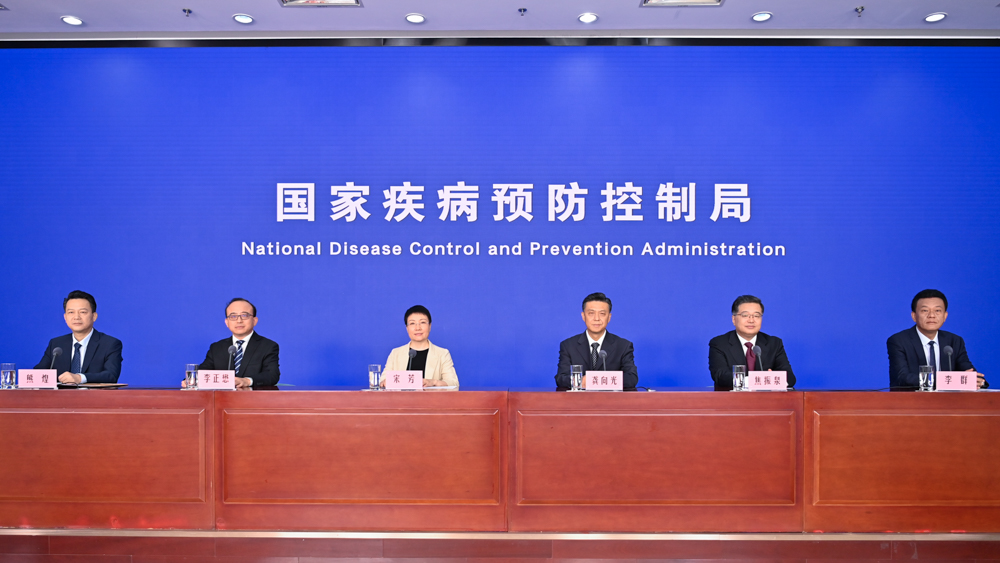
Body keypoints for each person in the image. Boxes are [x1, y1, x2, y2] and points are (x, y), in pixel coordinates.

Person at [887, 289, 987, 389]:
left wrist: (976, 380)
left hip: (948, 399)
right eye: (925, 310)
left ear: (945, 316)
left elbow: (970, 373)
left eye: (937, 311)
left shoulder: (954, 341)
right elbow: (903, 378)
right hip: (912, 398)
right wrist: (949, 381)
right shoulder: (899, 341)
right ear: (914, 316)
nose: (931, 315)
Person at [708, 295, 796, 391]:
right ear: (734, 319)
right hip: (732, 399)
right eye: (745, 315)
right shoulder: (719, 343)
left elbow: (790, 378)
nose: (751, 320)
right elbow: (720, 376)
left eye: (756, 316)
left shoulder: (774, 343)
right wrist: (761, 380)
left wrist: (772, 379)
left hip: (766, 400)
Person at [35, 290, 123, 384]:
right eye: (71, 312)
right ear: (65, 317)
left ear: (94, 316)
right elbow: (38, 374)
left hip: (93, 394)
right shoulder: (56, 344)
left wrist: (79, 378)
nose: (76, 317)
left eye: (83, 312)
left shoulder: (110, 344)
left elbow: (111, 375)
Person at [555, 292, 638, 390]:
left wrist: (595, 381)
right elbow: (560, 378)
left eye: (602, 314)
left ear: (609, 317)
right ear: (583, 316)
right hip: (579, 399)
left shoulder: (623, 346)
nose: (596, 318)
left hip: (610, 399)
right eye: (591, 313)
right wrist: (580, 382)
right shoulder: (568, 345)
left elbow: (631, 378)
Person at [191, 298, 279, 388]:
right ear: (227, 322)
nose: (239, 321)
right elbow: (203, 372)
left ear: (254, 321)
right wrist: (191, 380)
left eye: (244, 315)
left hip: (252, 396)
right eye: (233, 316)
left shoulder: (268, 346)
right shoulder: (217, 348)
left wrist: (247, 381)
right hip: (223, 397)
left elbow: (272, 375)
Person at [382, 305, 459, 387]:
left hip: (431, 396)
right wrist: (385, 382)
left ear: (430, 326)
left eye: (422, 322)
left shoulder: (442, 354)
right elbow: (382, 380)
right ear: (407, 328)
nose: (418, 328)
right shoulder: (396, 353)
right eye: (412, 323)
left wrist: (433, 382)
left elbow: (453, 383)